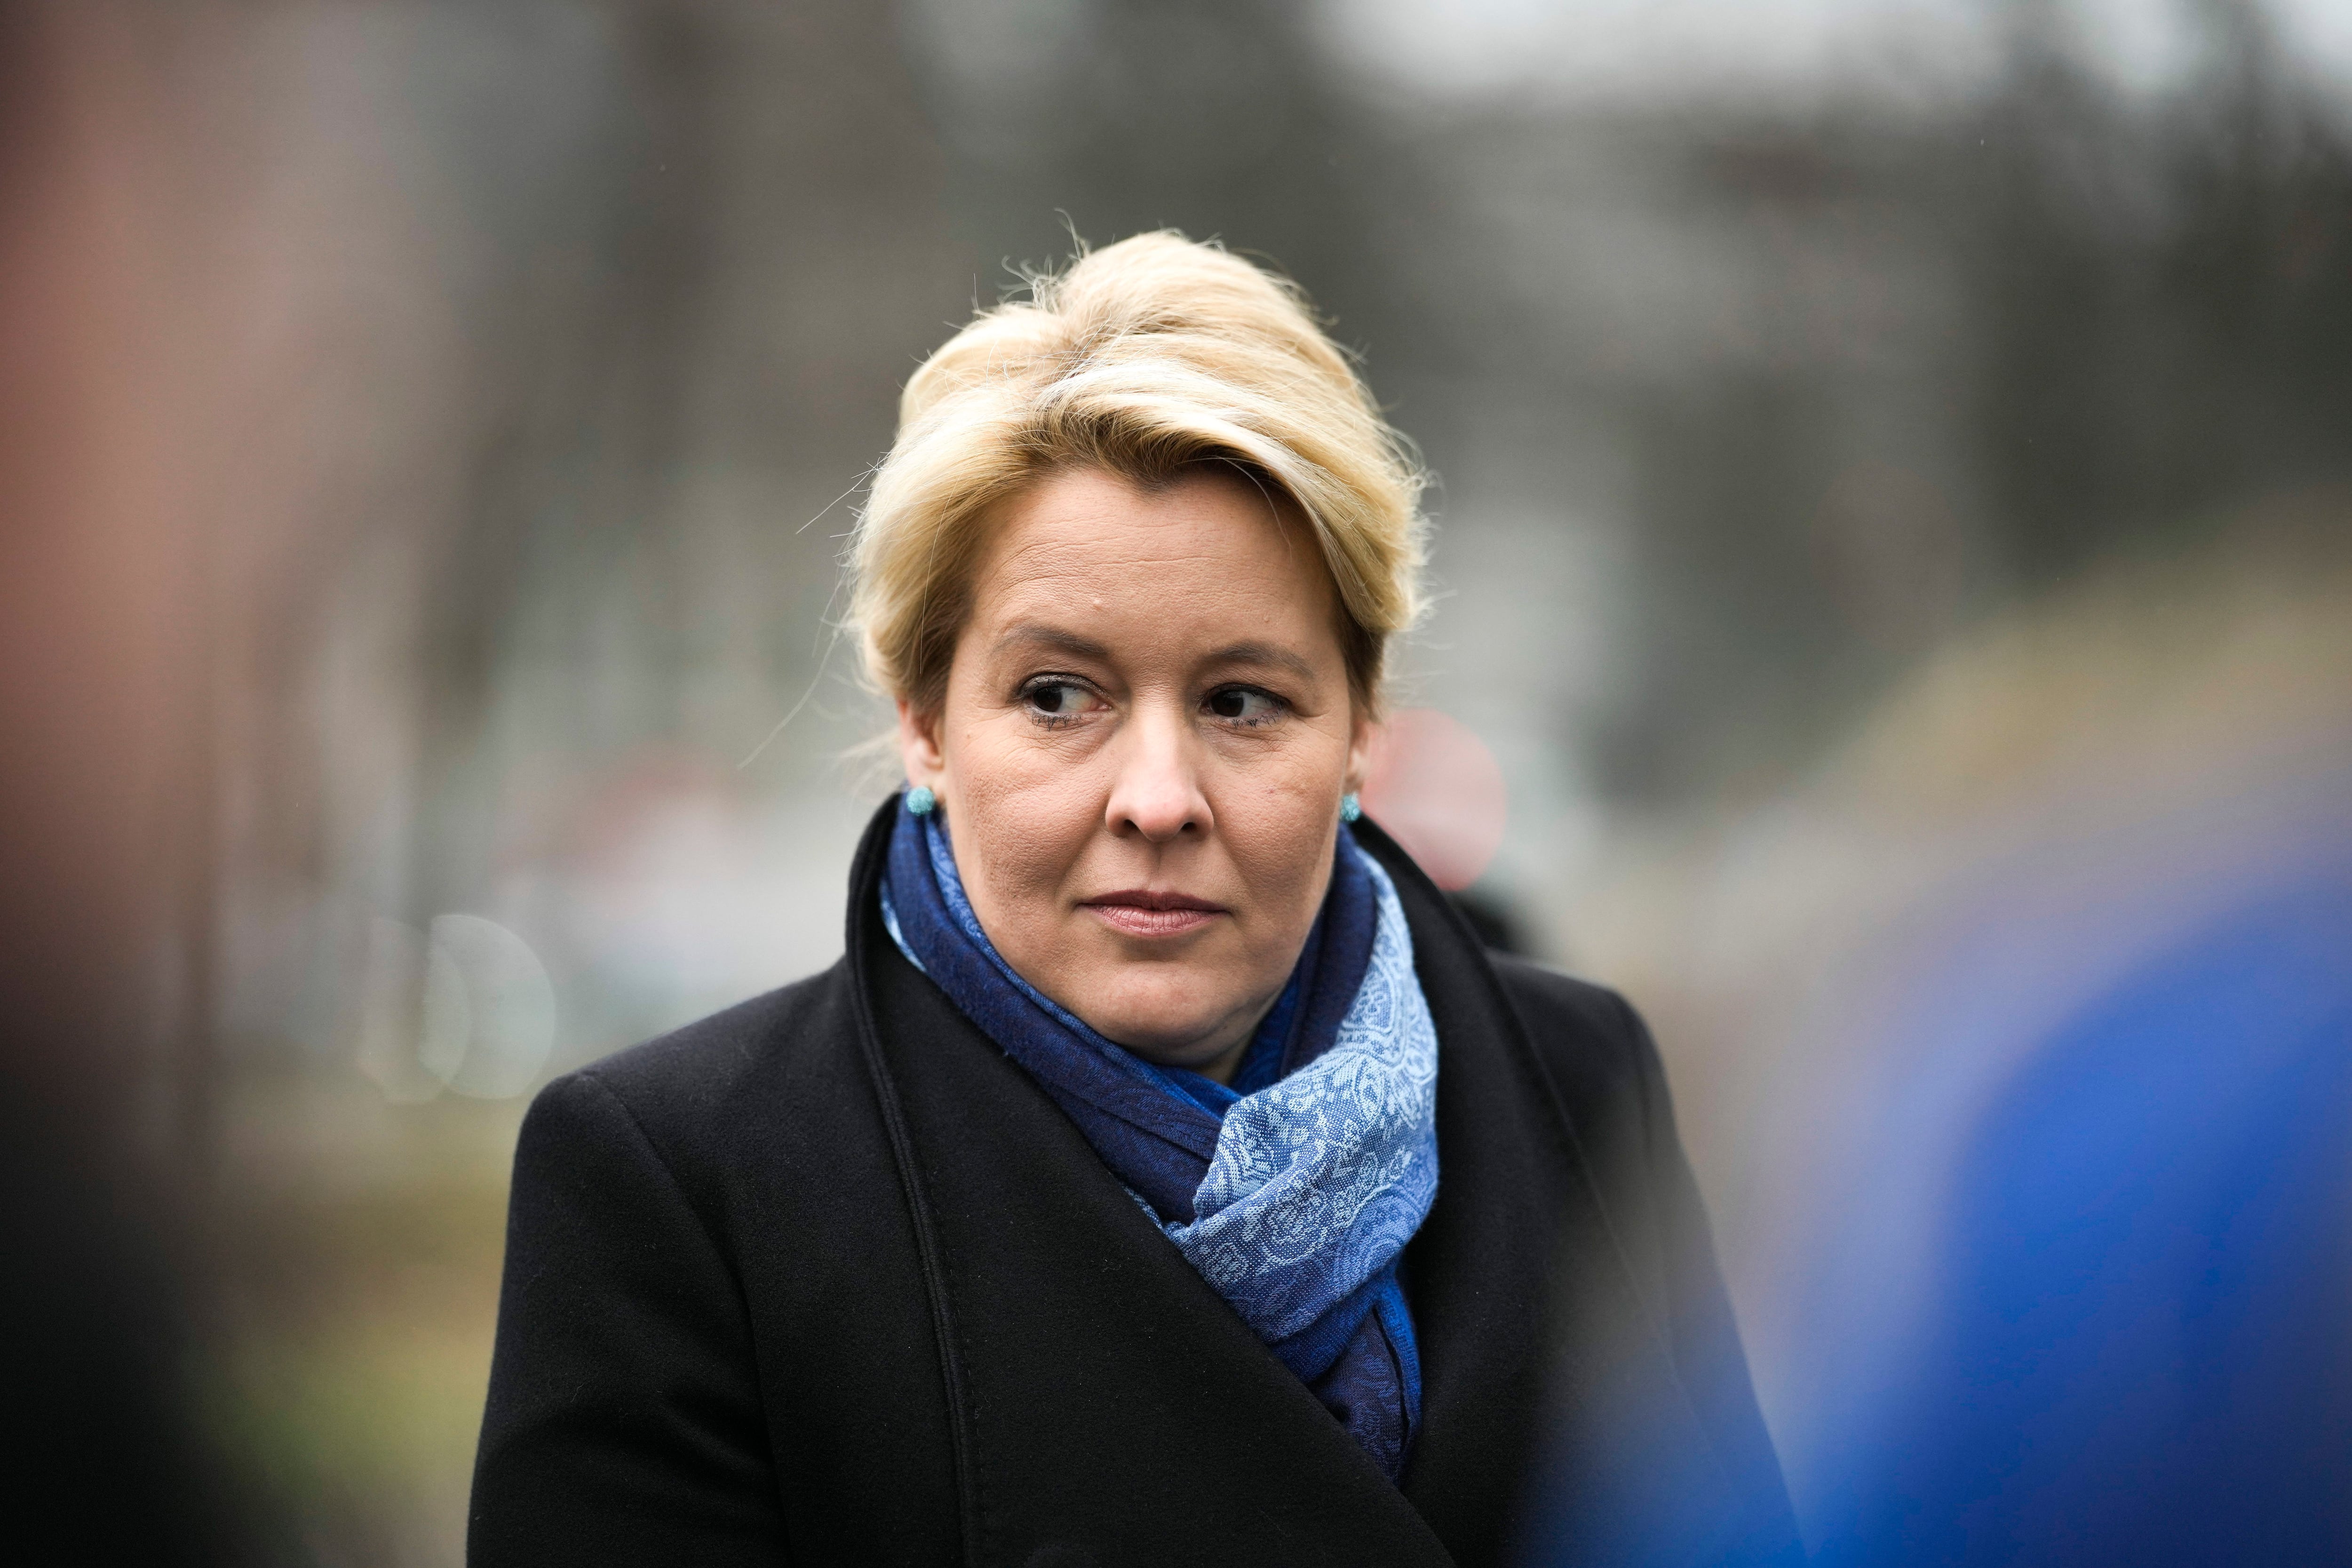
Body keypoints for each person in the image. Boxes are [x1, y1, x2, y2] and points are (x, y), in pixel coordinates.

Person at [469, 232, 1799, 1567]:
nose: (1158, 797)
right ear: (926, 719)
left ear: (1358, 728)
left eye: (1242, 702)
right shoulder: (679, 1186)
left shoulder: (1577, 1087)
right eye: (1059, 697)